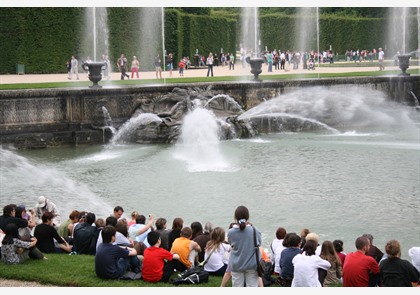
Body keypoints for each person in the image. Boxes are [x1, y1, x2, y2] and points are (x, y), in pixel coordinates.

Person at [227, 205, 261, 287]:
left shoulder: (230, 232)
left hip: (236, 264)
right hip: (252, 264)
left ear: (235, 217)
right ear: (248, 217)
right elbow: (259, 243)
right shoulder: (255, 231)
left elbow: (231, 243)